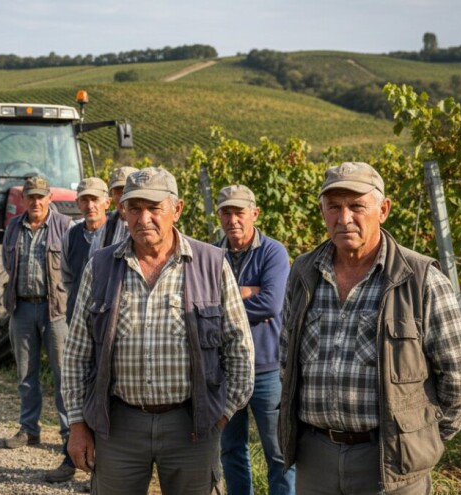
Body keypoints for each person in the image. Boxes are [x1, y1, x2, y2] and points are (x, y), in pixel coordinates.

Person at [278, 162, 461, 494]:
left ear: (383, 209)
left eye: (356, 206)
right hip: (315, 456)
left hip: (390, 462)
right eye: (334, 207)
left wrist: (421, 436)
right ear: (322, 211)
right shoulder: (303, 272)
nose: (344, 218)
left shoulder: (421, 279)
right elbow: (286, 358)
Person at [62, 167, 255, 495]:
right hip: (118, 426)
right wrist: (78, 423)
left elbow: (240, 350)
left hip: (192, 427)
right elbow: (77, 353)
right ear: (122, 211)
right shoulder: (101, 265)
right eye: (134, 208)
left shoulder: (210, 264)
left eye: (154, 208)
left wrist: (220, 417)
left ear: (176, 209)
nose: (143, 218)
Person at [214, 185, 295, 495]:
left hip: (267, 370)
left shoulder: (274, 251)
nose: (233, 219)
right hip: (226, 371)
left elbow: (272, 304)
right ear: (219, 215)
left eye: (239, 212)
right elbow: (202, 307)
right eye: (226, 212)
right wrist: (249, 292)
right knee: (231, 450)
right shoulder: (212, 253)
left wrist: (226, 302)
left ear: (255, 214)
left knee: (279, 453)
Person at [1, 176, 75, 483]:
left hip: (54, 310)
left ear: (49, 198)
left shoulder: (64, 227)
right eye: (30, 197)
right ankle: (29, 429)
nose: (35, 202)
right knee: (25, 374)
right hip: (22, 307)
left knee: (62, 376)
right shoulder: (14, 227)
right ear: (23, 199)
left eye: (40, 197)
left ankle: (70, 435)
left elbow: (72, 265)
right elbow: (8, 263)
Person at [61, 177, 112, 324]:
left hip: (109, 318)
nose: (90, 206)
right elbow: (67, 277)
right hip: (77, 316)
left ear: (107, 203)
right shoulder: (70, 235)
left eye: (94, 199)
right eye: (84, 200)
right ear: (78, 203)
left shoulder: (118, 234)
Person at [98, 166, 139, 247]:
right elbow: (95, 257)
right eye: (118, 192)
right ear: (112, 195)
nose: (122, 197)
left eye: (127, 191)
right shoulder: (106, 224)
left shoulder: (149, 224)